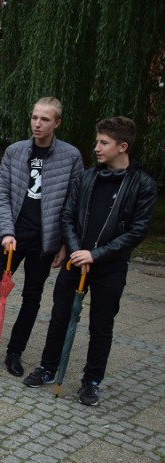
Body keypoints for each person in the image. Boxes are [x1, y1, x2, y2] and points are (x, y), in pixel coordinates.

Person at [22, 117, 157, 406]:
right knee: (60, 316)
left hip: (110, 266)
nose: (96, 147)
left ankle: (91, 381)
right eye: (97, 141)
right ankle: (48, 367)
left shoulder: (142, 184)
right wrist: (76, 250)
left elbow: (136, 231)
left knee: (101, 325)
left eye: (103, 143)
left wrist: (95, 255)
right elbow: (68, 216)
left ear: (122, 146)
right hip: (75, 259)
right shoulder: (86, 177)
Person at [0, 97, 83, 376]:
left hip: (44, 241)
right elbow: (1, 194)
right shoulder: (15, 151)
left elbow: (73, 203)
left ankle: (15, 352)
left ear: (57, 123)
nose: (38, 124)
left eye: (45, 119)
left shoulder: (71, 156)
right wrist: (7, 231)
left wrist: (63, 243)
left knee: (32, 297)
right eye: (35, 117)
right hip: (10, 236)